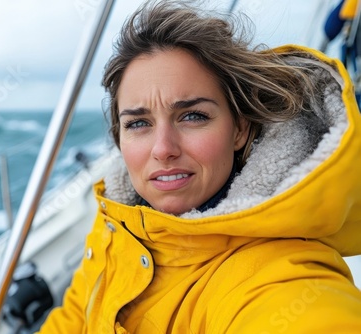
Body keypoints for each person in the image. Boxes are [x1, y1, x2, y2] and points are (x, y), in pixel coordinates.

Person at [38, 0, 361, 332]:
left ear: (239, 128)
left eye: (192, 116)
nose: (163, 149)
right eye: (138, 123)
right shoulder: (117, 220)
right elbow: (73, 318)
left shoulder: (283, 283)